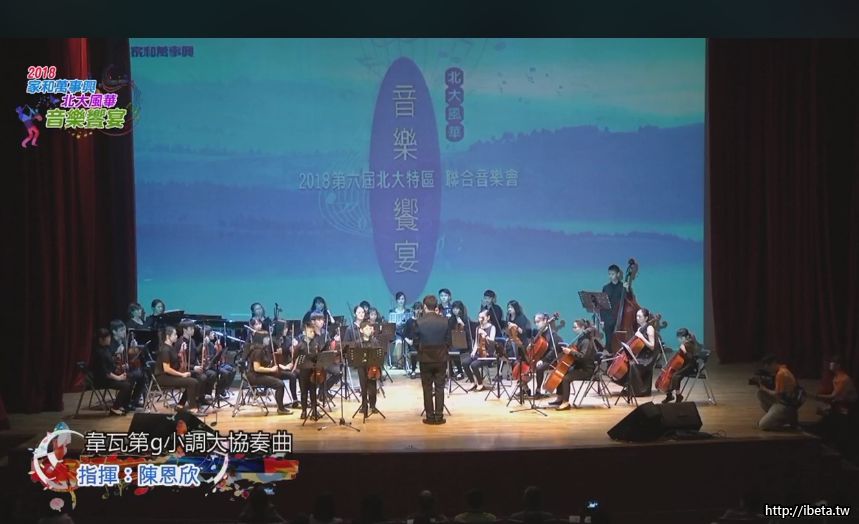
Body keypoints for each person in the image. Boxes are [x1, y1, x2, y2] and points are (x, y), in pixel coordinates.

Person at [413, 295, 452, 425]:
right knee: (440, 387)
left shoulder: (419, 322)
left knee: (427, 388)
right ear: (436, 307)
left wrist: (421, 350)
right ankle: (439, 416)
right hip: (441, 359)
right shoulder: (445, 321)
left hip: (425, 359)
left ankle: (430, 417)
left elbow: (415, 342)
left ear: (424, 307)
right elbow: (449, 341)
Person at [549, 319, 599, 410]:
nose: (573, 329)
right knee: (562, 372)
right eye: (573, 327)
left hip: (586, 370)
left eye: (575, 327)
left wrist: (570, 352)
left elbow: (583, 357)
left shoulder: (586, 341)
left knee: (566, 378)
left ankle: (566, 403)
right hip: (579, 366)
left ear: (582, 328)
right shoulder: (580, 339)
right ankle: (560, 398)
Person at [154, 326, 202, 414]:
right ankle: (193, 408)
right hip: (163, 377)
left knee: (196, 377)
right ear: (168, 337)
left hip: (170, 375)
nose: (177, 336)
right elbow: (167, 369)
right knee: (192, 382)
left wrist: (181, 351)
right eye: (175, 334)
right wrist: (182, 375)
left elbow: (176, 360)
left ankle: (180, 405)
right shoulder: (165, 350)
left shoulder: (171, 347)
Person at [90, 328, 133, 416]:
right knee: (126, 385)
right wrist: (119, 378)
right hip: (102, 380)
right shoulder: (98, 353)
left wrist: (121, 367)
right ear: (101, 339)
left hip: (108, 377)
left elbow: (111, 365)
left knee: (130, 378)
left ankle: (123, 405)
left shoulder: (106, 349)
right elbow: (105, 372)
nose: (110, 339)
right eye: (108, 337)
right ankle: (115, 408)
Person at [175, 319, 217, 405]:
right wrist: (194, 367)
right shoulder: (180, 342)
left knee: (212, 374)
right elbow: (179, 361)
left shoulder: (192, 341)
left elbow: (196, 352)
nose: (193, 330)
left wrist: (203, 344)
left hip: (194, 367)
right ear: (185, 330)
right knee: (202, 377)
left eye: (193, 328)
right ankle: (195, 399)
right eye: (191, 328)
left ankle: (202, 397)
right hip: (185, 369)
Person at [756, 354, 802, 431]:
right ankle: (777, 417)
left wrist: (764, 388)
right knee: (761, 394)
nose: (768, 370)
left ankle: (784, 419)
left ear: (773, 363)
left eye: (768, 367)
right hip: (785, 401)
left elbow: (777, 395)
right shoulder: (784, 369)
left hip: (785, 405)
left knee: (762, 425)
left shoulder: (781, 374)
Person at [109, 319, 145, 409]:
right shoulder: (110, 344)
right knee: (131, 376)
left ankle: (134, 401)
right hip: (114, 372)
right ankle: (125, 403)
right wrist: (117, 353)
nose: (124, 332)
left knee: (143, 377)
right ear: (114, 332)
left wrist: (133, 347)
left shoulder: (124, 342)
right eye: (121, 330)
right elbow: (109, 363)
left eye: (124, 330)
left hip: (123, 369)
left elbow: (127, 357)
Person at [661, 328, 701, 403]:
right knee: (672, 375)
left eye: (681, 338)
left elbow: (691, 358)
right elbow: (677, 356)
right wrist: (668, 365)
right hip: (684, 364)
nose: (680, 340)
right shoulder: (684, 344)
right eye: (679, 338)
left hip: (690, 366)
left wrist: (684, 351)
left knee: (675, 376)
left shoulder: (690, 344)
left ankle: (678, 395)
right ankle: (670, 395)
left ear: (686, 337)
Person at [295, 320, 325, 419]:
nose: (312, 333)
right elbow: (295, 358)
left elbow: (319, 356)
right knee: (304, 392)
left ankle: (314, 411)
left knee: (313, 391)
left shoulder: (315, 344)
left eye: (313, 332)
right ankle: (304, 411)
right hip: (303, 371)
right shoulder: (300, 345)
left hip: (313, 371)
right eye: (310, 332)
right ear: (304, 332)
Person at [530, 314, 563, 398]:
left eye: (538, 321)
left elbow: (552, 351)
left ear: (545, 321)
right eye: (535, 322)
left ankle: (538, 390)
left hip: (551, 359)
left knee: (539, 368)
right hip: (541, 357)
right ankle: (524, 388)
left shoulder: (552, 334)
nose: (536, 324)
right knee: (525, 364)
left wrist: (543, 360)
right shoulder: (539, 333)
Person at [600, 264, 627, 349]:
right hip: (608, 318)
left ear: (618, 274)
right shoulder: (606, 288)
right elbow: (602, 305)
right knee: (608, 341)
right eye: (609, 274)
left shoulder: (623, 287)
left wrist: (627, 290)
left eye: (613, 274)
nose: (611, 276)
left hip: (620, 318)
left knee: (620, 342)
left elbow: (628, 300)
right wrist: (602, 320)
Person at [468, 310, 497, 392]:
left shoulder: (492, 328)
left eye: (482, 317)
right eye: (479, 317)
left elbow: (491, 343)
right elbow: (476, 342)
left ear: (488, 317)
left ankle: (480, 384)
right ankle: (472, 382)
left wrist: (485, 334)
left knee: (474, 365)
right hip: (479, 352)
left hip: (487, 354)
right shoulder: (478, 328)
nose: (480, 319)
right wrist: (473, 351)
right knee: (465, 363)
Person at [448, 300, 473, 382]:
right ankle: (450, 372)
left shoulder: (466, 319)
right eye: (453, 308)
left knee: (454, 350)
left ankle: (460, 371)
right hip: (454, 343)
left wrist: (463, 324)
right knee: (447, 350)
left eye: (457, 308)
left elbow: (469, 333)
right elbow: (449, 333)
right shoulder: (451, 320)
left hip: (464, 343)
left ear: (461, 309)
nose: (455, 310)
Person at [388, 291, 412, 370]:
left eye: (402, 299)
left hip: (406, 332)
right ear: (396, 300)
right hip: (396, 333)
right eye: (399, 299)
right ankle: (399, 363)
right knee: (399, 342)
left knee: (408, 341)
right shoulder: (392, 312)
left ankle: (408, 363)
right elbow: (390, 325)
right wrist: (396, 325)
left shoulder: (408, 312)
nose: (401, 301)